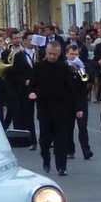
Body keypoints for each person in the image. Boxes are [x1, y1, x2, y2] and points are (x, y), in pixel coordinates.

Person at [27, 38, 82, 176]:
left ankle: (61, 167)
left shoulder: (64, 68)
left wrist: (78, 108)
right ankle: (46, 158)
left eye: (55, 54)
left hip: (62, 109)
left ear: (59, 54)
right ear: (46, 52)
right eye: (50, 53)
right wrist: (31, 93)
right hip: (44, 108)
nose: (52, 56)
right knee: (45, 140)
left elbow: (72, 90)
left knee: (61, 140)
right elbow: (32, 84)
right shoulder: (39, 67)